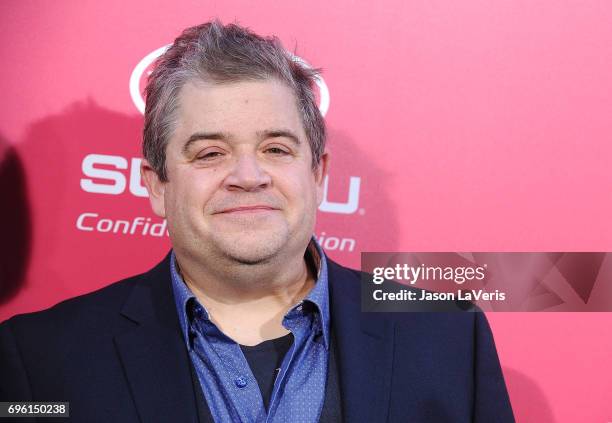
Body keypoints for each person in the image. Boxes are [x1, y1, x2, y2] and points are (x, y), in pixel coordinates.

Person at [0, 21, 514, 422]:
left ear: (318, 174)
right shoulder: (40, 361)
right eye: (209, 153)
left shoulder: (447, 337)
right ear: (157, 185)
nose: (248, 176)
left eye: (275, 148)